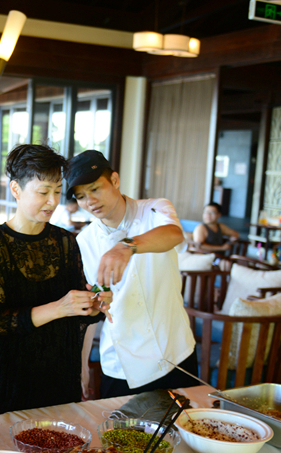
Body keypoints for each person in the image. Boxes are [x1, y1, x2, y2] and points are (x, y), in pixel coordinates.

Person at [0, 145, 106, 418]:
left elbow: (77, 313)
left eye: (57, 191)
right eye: (43, 192)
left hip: (58, 373)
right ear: (16, 189)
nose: (52, 201)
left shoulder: (65, 241)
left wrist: (93, 305)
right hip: (11, 377)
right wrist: (58, 308)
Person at [67, 150, 198, 399]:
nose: (90, 201)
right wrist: (82, 366)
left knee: (186, 423)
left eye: (95, 189)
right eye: (81, 196)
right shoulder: (85, 241)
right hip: (121, 365)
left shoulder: (154, 209)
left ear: (115, 180)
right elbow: (93, 305)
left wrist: (126, 246)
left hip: (175, 353)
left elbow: (173, 234)